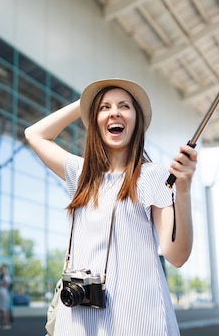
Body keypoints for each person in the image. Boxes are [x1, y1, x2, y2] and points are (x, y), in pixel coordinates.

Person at [24, 78, 197, 336]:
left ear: (136, 121)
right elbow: (34, 134)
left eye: (124, 106)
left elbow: (177, 255)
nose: (114, 112)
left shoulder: (154, 176)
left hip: (137, 321)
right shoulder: (81, 173)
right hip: (80, 322)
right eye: (104, 107)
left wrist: (183, 190)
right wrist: (86, 103)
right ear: (94, 121)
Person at [0, 263, 12, 329]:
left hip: (4, 295)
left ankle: (7, 323)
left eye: (1, 270)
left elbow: (6, 285)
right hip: (0, 294)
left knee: (5, 309)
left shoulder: (7, 277)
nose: (0, 271)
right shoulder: (1, 277)